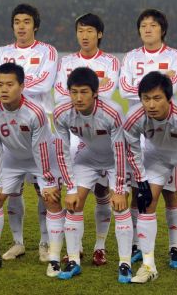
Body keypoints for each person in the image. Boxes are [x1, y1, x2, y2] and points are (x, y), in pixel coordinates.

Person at [0, 63, 63, 277]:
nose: (4, 89)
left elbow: (42, 148)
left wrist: (48, 180)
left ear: (22, 86)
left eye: (10, 84)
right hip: (13, 158)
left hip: (43, 158)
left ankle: (53, 258)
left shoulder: (36, 112)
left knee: (51, 199)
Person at [124, 71, 177, 286]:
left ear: (169, 98)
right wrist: (141, 180)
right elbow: (131, 149)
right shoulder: (134, 118)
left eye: (157, 98)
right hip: (157, 156)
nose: (151, 104)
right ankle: (148, 265)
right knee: (146, 202)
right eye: (146, 98)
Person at [0, 3, 58, 262]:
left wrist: (16, 85)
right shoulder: (4, 52)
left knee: (44, 189)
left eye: (26, 21)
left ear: (35, 25)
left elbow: (46, 81)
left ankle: (44, 242)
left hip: (39, 127)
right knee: (13, 190)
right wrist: (17, 84)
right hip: (9, 128)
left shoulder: (47, 51)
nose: (21, 26)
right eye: (17, 21)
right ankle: (18, 242)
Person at [119, 9, 177, 267]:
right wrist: (151, 90)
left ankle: (174, 247)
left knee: (171, 192)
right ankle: (138, 244)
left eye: (153, 25)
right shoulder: (131, 57)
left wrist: (144, 91)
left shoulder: (175, 56)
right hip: (136, 130)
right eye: (143, 25)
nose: (148, 29)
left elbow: (173, 86)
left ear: (162, 29)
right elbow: (124, 88)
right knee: (138, 190)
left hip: (166, 134)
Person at [54, 67, 132, 283]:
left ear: (95, 93)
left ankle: (123, 262)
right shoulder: (62, 113)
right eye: (74, 92)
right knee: (74, 203)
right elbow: (62, 152)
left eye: (84, 92)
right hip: (88, 158)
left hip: (115, 160)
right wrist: (70, 188)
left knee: (120, 204)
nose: (78, 98)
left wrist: (118, 188)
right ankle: (73, 261)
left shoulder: (112, 112)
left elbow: (120, 150)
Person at [53, 13, 120, 265]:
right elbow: (61, 93)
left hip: (103, 132)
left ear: (99, 34)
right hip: (75, 133)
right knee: (73, 192)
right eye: (81, 30)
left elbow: (106, 92)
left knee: (104, 192)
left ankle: (100, 246)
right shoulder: (67, 61)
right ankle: (75, 247)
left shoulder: (111, 62)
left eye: (90, 30)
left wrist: (84, 99)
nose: (85, 35)